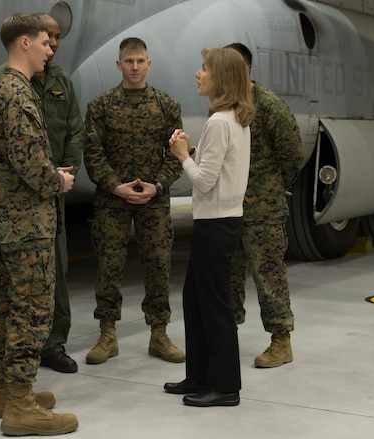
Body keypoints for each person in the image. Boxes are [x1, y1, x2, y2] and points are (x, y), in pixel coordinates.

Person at [0, 13, 77, 436]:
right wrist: (59, 179)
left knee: (7, 304)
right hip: (28, 220)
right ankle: (20, 404)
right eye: (44, 42)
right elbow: (31, 165)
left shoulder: (4, 88)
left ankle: (4, 391)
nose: (50, 49)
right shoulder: (16, 93)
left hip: (11, 219)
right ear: (24, 43)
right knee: (30, 309)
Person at [83, 37, 185, 365]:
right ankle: (107, 334)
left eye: (141, 61)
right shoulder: (100, 106)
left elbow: (177, 153)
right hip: (112, 200)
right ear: (119, 65)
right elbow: (93, 153)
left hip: (153, 200)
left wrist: (158, 185)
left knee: (158, 265)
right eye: (129, 61)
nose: (136, 67)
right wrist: (116, 186)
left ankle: (159, 333)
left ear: (149, 63)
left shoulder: (166, 105)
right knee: (109, 266)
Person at [164, 47, 253, 407]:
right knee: (195, 300)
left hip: (215, 224)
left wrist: (183, 156)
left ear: (221, 77)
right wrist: (194, 150)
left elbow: (203, 182)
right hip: (224, 220)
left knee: (213, 305)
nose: (198, 74)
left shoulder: (218, 121)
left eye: (204, 69)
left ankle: (225, 386)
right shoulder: (234, 118)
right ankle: (199, 376)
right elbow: (222, 168)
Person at [225, 42, 303, 368]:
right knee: (227, 277)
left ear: (243, 69)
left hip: (263, 212)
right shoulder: (224, 107)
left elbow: (293, 154)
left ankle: (281, 341)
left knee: (268, 277)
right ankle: (226, 336)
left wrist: (275, 186)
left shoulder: (269, 106)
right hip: (230, 208)